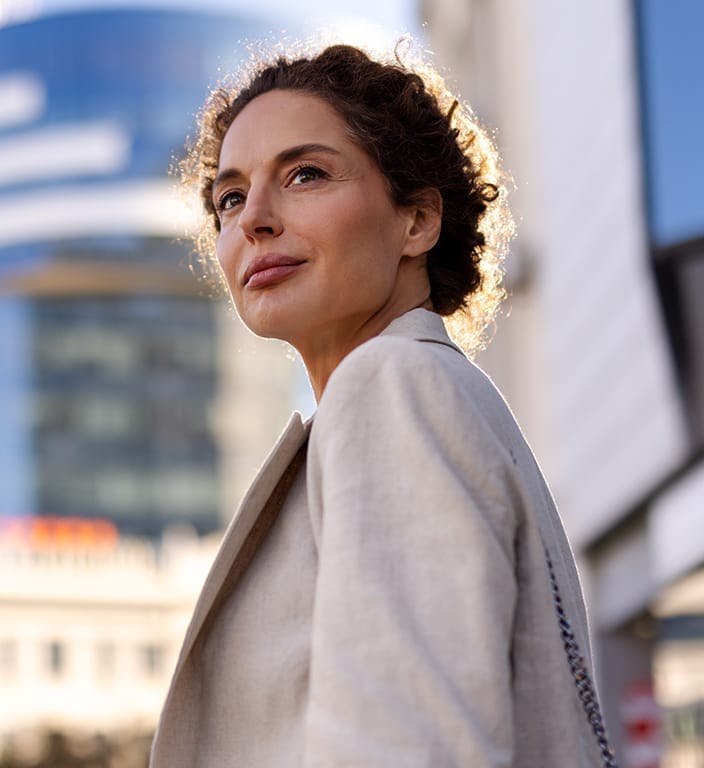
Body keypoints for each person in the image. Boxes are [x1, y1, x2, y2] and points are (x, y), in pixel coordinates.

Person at [151, 43, 616, 768]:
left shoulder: (394, 386)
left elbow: (412, 747)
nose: (254, 221)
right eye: (230, 198)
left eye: (306, 174)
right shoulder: (427, 399)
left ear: (417, 222)